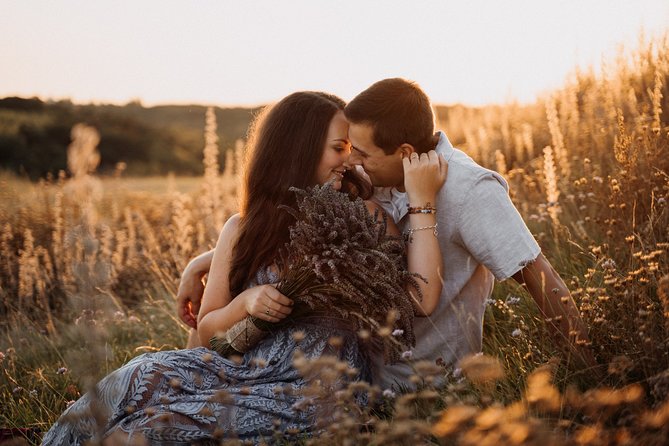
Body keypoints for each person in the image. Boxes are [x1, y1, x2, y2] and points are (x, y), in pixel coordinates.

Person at [42, 91, 447, 445]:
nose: (350, 160)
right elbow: (207, 329)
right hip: (237, 369)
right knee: (125, 383)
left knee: (140, 434)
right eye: (340, 147)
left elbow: (421, 297)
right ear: (298, 150)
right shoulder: (242, 228)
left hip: (314, 386)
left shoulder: (366, 216)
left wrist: (420, 201)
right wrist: (246, 302)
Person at [178, 78, 598, 392]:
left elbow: (542, 281)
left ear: (403, 153)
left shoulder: (470, 192)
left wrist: (592, 379)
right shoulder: (372, 180)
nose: (353, 164)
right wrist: (212, 259)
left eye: (359, 152)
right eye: (345, 148)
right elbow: (300, 231)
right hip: (355, 372)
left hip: (414, 380)